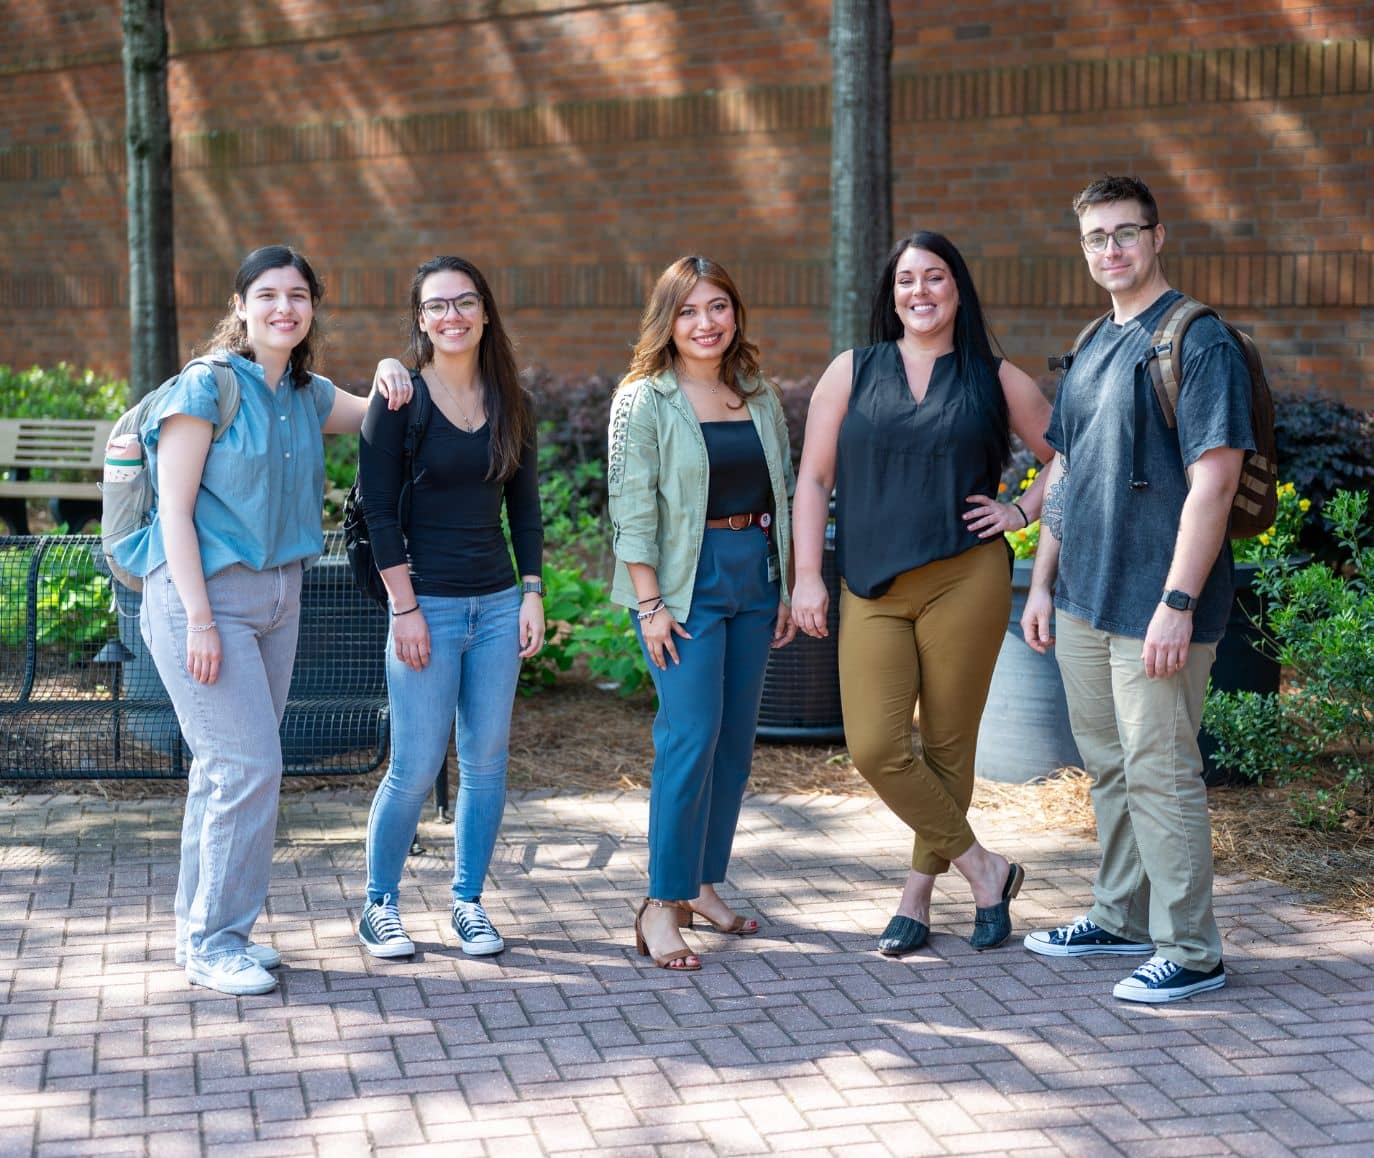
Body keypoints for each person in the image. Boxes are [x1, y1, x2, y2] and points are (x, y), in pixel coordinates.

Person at [113, 244, 412, 996]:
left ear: (312, 310)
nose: (285, 308)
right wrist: (204, 623)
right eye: (269, 295)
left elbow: (377, 409)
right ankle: (217, 941)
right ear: (241, 306)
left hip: (281, 597)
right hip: (200, 599)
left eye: (299, 296)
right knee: (248, 769)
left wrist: (388, 367)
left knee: (228, 773)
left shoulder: (304, 393)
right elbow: (175, 514)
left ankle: (203, 930)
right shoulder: (207, 388)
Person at [1020, 176, 1252, 1003]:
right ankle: (1120, 914)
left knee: (1161, 771)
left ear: (1158, 237)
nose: (1110, 250)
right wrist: (1041, 585)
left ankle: (1192, 951)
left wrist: (1178, 603)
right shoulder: (1092, 341)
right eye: (1095, 238)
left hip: (1160, 605)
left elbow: (1214, 484)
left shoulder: (1197, 340)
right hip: (1084, 595)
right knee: (1110, 766)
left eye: (1125, 233)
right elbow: (1069, 470)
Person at [791, 231, 1053, 956]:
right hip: (871, 582)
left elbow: (1066, 456)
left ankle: (916, 895)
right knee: (875, 746)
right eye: (906, 280)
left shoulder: (996, 379)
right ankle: (986, 868)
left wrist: (1021, 513)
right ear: (892, 296)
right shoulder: (851, 371)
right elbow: (812, 480)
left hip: (965, 577)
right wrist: (807, 574)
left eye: (934, 278)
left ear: (957, 290)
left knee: (946, 746)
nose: (920, 292)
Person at [607, 256, 796, 971]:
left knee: (736, 743)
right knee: (689, 737)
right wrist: (649, 602)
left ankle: (704, 884)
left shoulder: (758, 393)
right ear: (668, 321)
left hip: (753, 574)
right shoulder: (645, 399)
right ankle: (660, 903)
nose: (706, 323)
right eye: (688, 311)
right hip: (683, 586)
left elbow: (780, 489)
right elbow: (630, 507)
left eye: (718, 307)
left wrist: (782, 583)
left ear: (735, 314)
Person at [356, 256, 544, 960]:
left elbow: (524, 510)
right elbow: (377, 509)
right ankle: (380, 905)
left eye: (465, 302)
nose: (452, 316)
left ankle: (468, 901)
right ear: (421, 320)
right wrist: (404, 609)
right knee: (413, 764)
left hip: (497, 605)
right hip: (426, 605)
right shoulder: (400, 398)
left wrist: (533, 592)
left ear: (486, 312)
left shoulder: (510, 402)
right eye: (437, 306)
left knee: (487, 762)